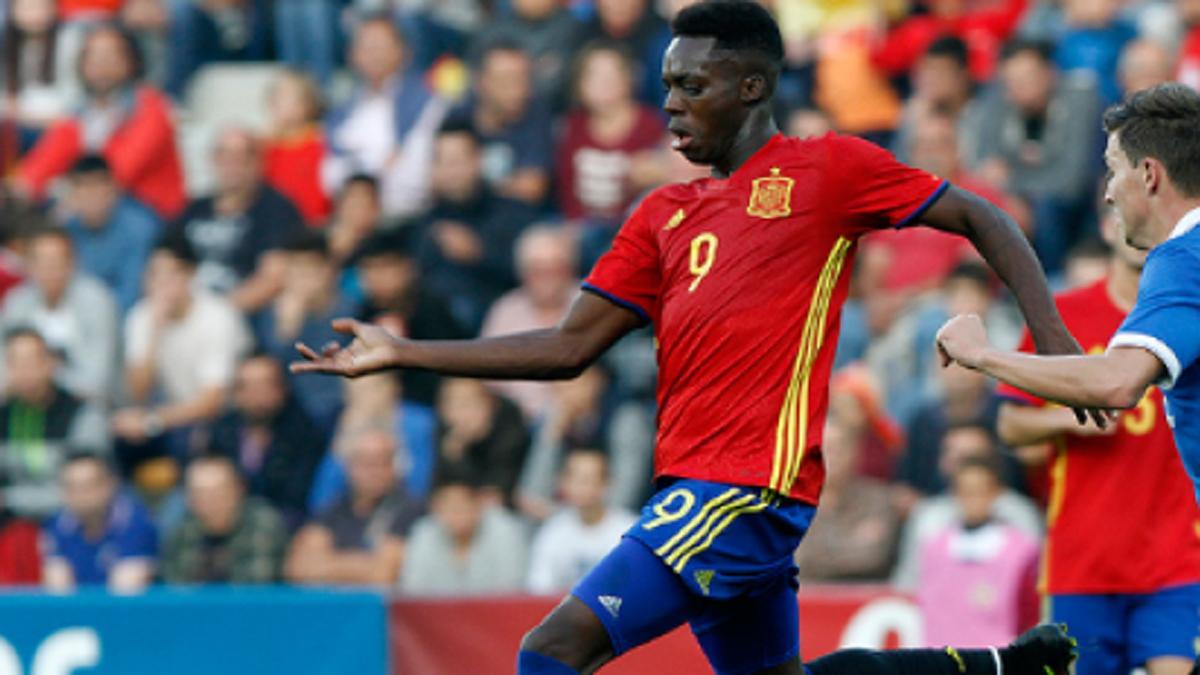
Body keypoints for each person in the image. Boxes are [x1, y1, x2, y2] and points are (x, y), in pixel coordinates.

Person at [294, 3, 1080, 673]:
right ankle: (1006, 665)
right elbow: (570, 346)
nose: (670, 104)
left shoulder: (828, 170)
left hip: (742, 488)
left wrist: (1053, 339)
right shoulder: (662, 216)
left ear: (752, 87)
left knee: (549, 651)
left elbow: (983, 215)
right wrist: (405, 353)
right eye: (666, 84)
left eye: (691, 86)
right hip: (696, 488)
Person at [994, 209, 1200, 675]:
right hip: (1082, 561)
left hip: (1178, 559)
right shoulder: (1062, 315)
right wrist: (1069, 418)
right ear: (1107, 227)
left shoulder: (1187, 308)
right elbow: (1009, 425)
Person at [13, 23, 185, 220]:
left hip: (148, 212)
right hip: (89, 208)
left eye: (110, 56)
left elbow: (120, 171)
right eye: (92, 56)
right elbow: (41, 165)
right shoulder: (80, 113)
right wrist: (21, 190)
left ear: (131, 61)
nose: (100, 64)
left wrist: (72, 199)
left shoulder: (152, 107)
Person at [115, 235, 252, 477]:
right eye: (154, 274)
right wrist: (154, 332)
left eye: (171, 274)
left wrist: (151, 421)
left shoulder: (218, 316)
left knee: (196, 439)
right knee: (121, 436)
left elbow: (212, 401)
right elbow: (138, 393)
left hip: (227, 416)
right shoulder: (142, 316)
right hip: (174, 414)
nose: (162, 284)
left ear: (191, 275)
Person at [322, 16, 448, 221]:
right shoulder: (340, 113)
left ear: (405, 52)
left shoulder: (428, 101)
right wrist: (385, 162)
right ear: (352, 55)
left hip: (410, 217)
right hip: (355, 219)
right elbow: (331, 178)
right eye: (366, 47)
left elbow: (418, 174)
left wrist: (361, 164)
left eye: (381, 46)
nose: (374, 55)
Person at [416, 121, 534, 333]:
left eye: (458, 160)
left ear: (478, 160)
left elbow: (537, 276)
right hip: (435, 343)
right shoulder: (424, 225)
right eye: (441, 161)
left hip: (504, 334)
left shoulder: (513, 213)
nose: (451, 171)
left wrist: (480, 255)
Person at [173, 126, 306, 313]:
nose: (232, 165)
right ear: (213, 160)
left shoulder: (277, 209)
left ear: (258, 162)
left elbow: (272, 278)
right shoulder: (195, 208)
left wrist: (217, 313)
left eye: (242, 157)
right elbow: (167, 263)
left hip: (242, 315)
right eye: (224, 156)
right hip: (188, 311)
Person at [917, 455, 1040, 648]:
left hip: (998, 659)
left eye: (980, 491)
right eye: (966, 492)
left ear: (996, 493)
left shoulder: (1021, 551)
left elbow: (1029, 614)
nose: (973, 499)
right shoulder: (935, 548)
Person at [285, 426, 422, 586]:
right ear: (349, 466)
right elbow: (299, 569)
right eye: (367, 463)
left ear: (394, 467)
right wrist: (363, 563)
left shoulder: (409, 509)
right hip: (335, 606)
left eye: (384, 462)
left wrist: (330, 562)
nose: (375, 471)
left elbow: (383, 575)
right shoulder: (333, 509)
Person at [206, 354, 327, 532]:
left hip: (285, 520)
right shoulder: (223, 429)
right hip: (226, 516)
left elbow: (297, 495)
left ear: (282, 388)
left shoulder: (303, 432)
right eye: (246, 386)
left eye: (264, 385)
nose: (255, 395)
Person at [0, 226, 119, 403]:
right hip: (24, 402)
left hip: (85, 406)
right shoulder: (16, 303)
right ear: (29, 265)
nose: (50, 271)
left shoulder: (97, 302)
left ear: (72, 263)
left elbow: (98, 381)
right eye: (42, 262)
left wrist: (43, 374)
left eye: (57, 262)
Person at [253, 232, 359, 428]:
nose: (302, 278)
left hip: (338, 411)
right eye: (295, 269)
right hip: (286, 417)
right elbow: (269, 373)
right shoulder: (273, 313)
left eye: (310, 268)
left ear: (329, 270)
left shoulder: (351, 311)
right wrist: (286, 328)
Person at [0, 327, 108, 518]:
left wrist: (11, 500)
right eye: (15, 363)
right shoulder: (4, 413)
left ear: (50, 363)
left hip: (70, 523)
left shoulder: (82, 415)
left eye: (31, 362)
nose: (24, 371)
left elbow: (87, 492)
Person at [451, 41, 553, 206]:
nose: (518, 89)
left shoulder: (537, 114)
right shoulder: (458, 117)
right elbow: (440, 180)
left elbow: (533, 187)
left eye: (523, 78)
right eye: (506, 79)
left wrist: (469, 183)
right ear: (480, 82)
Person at [399, 467, 530, 595]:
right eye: (448, 507)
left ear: (479, 504)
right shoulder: (423, 533)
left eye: (462, 505)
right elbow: (414, 592)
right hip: (438, 616)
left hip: (496, 615)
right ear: (435, 508)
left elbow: (512, 591)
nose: (456, 514)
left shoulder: (505, 529)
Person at [161, 455, 287, 584]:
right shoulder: (182, 529)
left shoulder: (262, 523)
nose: (209, 501)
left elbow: (256, 587)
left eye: (218, 492)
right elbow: (175, 588)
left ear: (238, 489)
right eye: (199, 493)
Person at [42, 452, 157, 592]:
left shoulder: (137, 525)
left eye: (88, 486)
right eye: (71, 487)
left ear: (110, 484)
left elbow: (124, 597)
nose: (80, 495)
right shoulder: (57, 525)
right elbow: (58, 593)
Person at [528, 448, 637, 594]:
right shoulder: (553, 531)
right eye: (574, 478)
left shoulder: (630, 531)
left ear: (607, 483)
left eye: (588, 480)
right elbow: (538, 590)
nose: (579, 487)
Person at [63, 154, 160, 315]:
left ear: (113, 188)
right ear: (72, 193)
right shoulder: (68, 229)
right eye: (82, 187)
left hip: (129, 319)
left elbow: (132, 294)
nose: (91, 195)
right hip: (79, 319)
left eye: (97, 186)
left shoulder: (140, 228)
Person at [262, 69, 331, 226]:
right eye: (276, 95)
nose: (278, 102)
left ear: (308, 104)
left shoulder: (321, 141)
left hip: (312, 225)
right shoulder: (263, 148)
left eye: (287, 96)